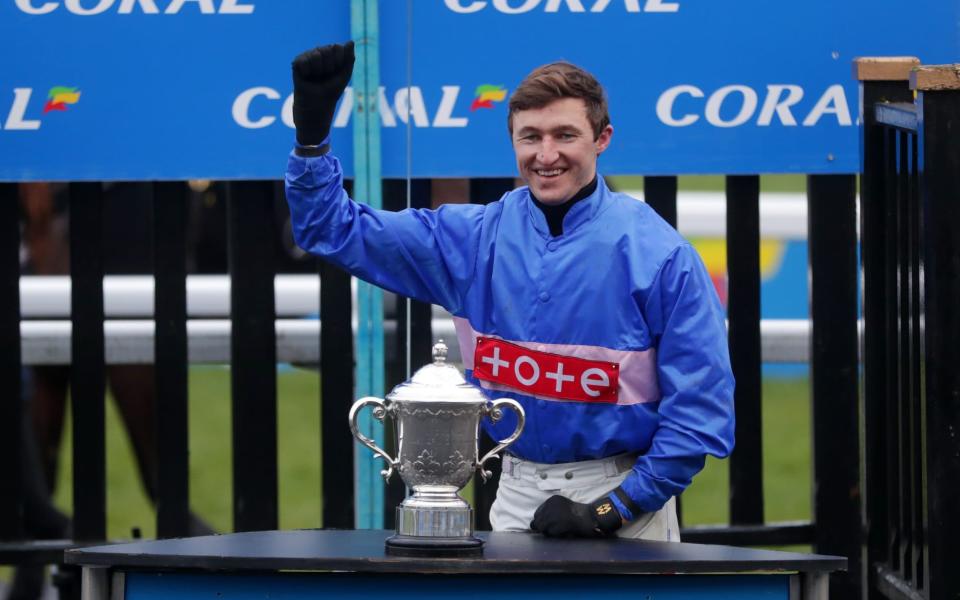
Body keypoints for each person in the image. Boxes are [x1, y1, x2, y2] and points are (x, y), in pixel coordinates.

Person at [285, 42, 735, 540]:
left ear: (602, 138)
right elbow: (332, 229)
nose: (546, 155)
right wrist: (312, 139)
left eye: (566, 135)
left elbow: (699, 414)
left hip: (626, 502)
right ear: (513, 141)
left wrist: (613, 509)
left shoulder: (661, 253)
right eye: (531, 137)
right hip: (516, 492)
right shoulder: (472, 238)